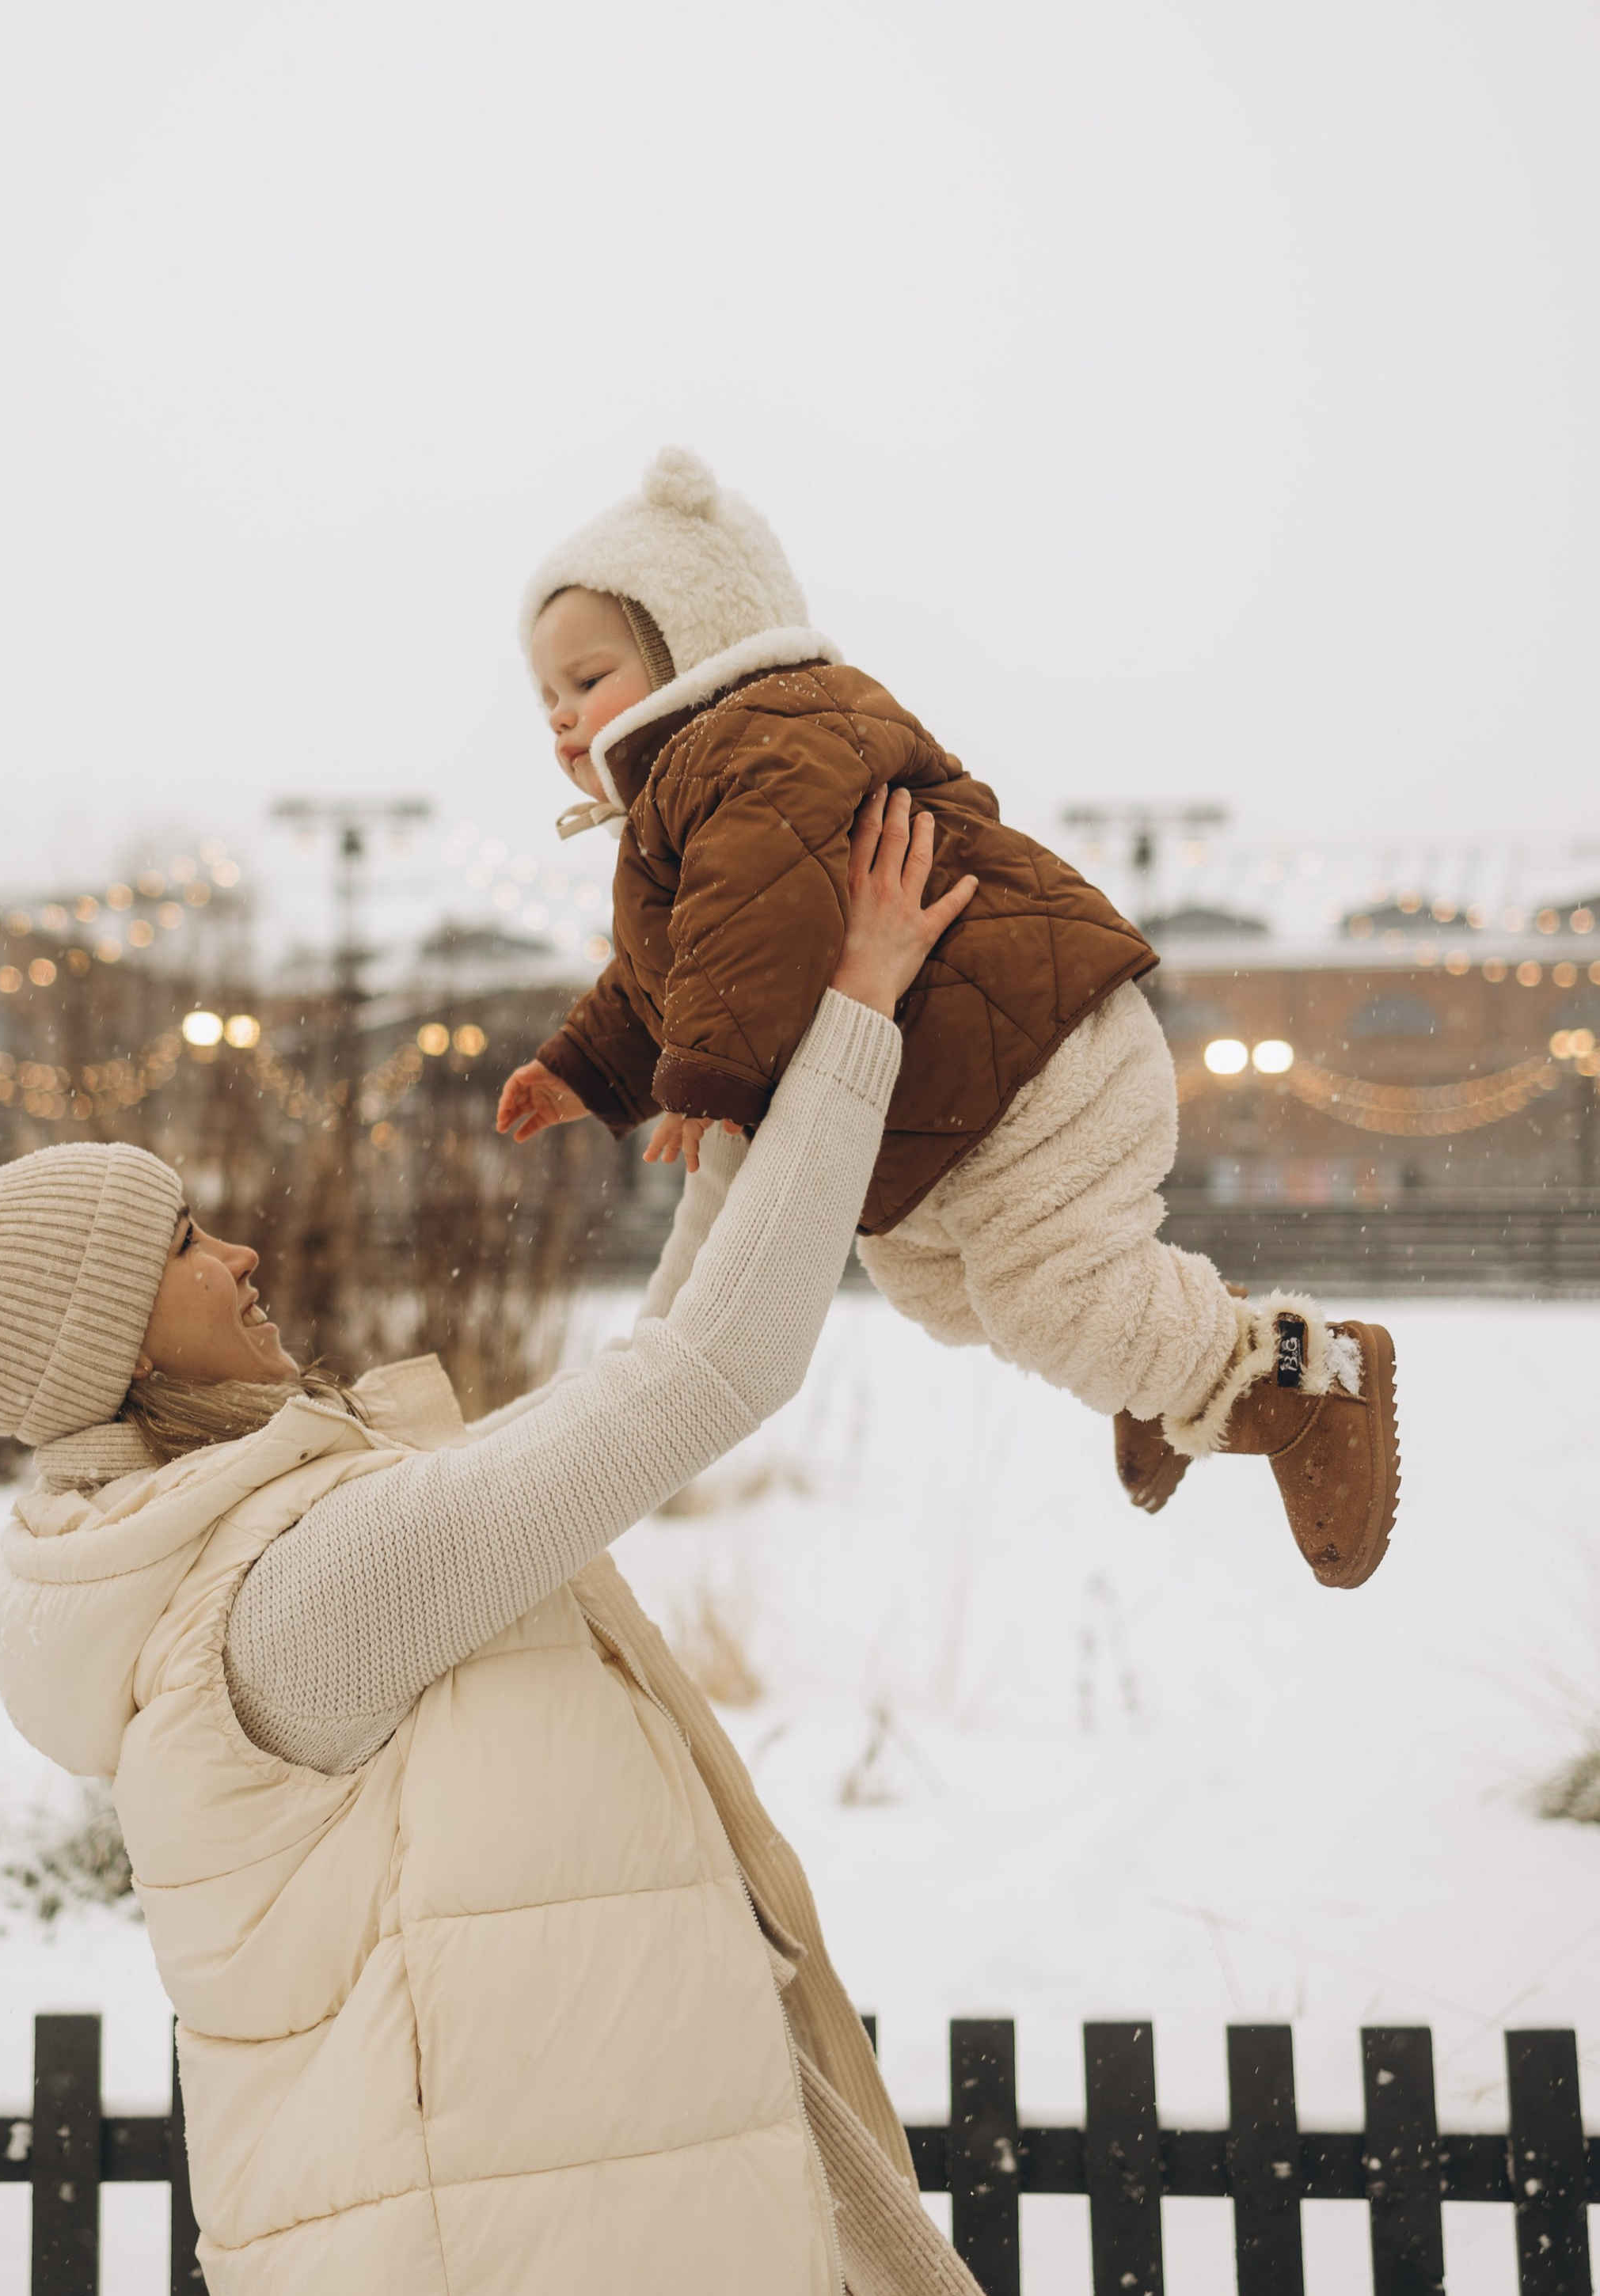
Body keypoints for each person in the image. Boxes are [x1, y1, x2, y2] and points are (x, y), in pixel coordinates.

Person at [0, 789, 1013, 2296]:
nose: (246, 1249)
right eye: (189, 1245)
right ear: (116, 1336)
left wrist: (733, 1124)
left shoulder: (231, 1564)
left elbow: (647, 1364)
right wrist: (854, 1021)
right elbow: (698, 1385)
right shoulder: (296, 1593)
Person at [498, 447, 1400, 1590]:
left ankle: (1304, 1377)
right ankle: (1165, 1350)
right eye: (546, 701)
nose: (565, 719)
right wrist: (585, 1067)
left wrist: (703, 1083)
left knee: (1046, 1294)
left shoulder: (757, 742)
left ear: (694, 637)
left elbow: (751, 932)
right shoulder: (680, 819)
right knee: (936, 1285)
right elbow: (659, 977)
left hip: (1036, 1057)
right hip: (960, 1100)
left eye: (588, 678)